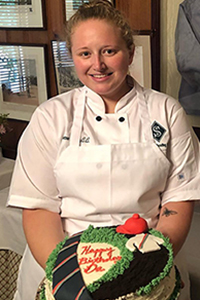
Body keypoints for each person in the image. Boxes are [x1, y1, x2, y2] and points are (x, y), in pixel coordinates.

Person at [7, 1, 200, 299]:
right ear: (73, 56)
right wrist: (71, 281)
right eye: (85, 53)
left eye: (109, 51)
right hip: (63, 265)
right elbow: (38, 207)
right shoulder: (51, 116)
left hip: (148, 259)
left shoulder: (167, 112)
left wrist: (149, 270)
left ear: (130, 53)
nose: (97, 65)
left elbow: (179, 199)